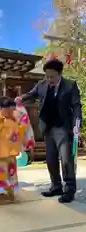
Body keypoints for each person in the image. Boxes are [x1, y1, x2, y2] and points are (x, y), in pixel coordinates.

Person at [15, 59, 82, 203]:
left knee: (66, 160)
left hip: (63, 127)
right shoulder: (42, 84)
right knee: (51, 160)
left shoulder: (70, 86)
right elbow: (31, 95)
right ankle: (56, 186)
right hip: (48, 127)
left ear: (59, 74)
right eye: (47, 76)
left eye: (52, 76)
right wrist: (20, 98)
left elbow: (76, 106)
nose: (49, 79)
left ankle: (69, 190)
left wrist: (77, 124)